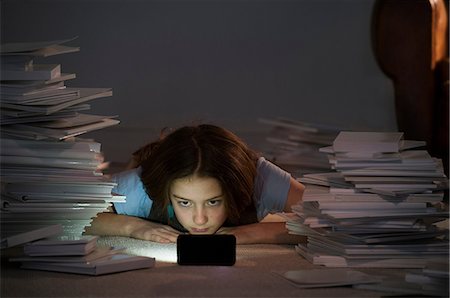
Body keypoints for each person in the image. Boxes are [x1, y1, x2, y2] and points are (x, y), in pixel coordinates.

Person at [85, 124, 306, 244]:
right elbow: (72, 217)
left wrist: (253, 233)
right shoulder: (141, 186)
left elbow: (332, 223)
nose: (200, 220)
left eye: (213, 201)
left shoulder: (261, 179)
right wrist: (134, 227)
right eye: (184, 202)